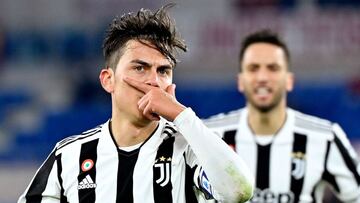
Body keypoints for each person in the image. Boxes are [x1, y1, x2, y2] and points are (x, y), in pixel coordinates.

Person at [18, 4, 254, 203]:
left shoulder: (188, 150)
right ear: (108, 80)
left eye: (163, 71)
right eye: (140, 68)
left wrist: (182, 116)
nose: (153, 81)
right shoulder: (69, 157)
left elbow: (239, 192)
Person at [204, 29, 360, 203]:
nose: (262, 77)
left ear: (289, 80)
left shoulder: (326, 138)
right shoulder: (210, 135)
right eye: (253, 68)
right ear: (240, 81)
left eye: (273, 68)